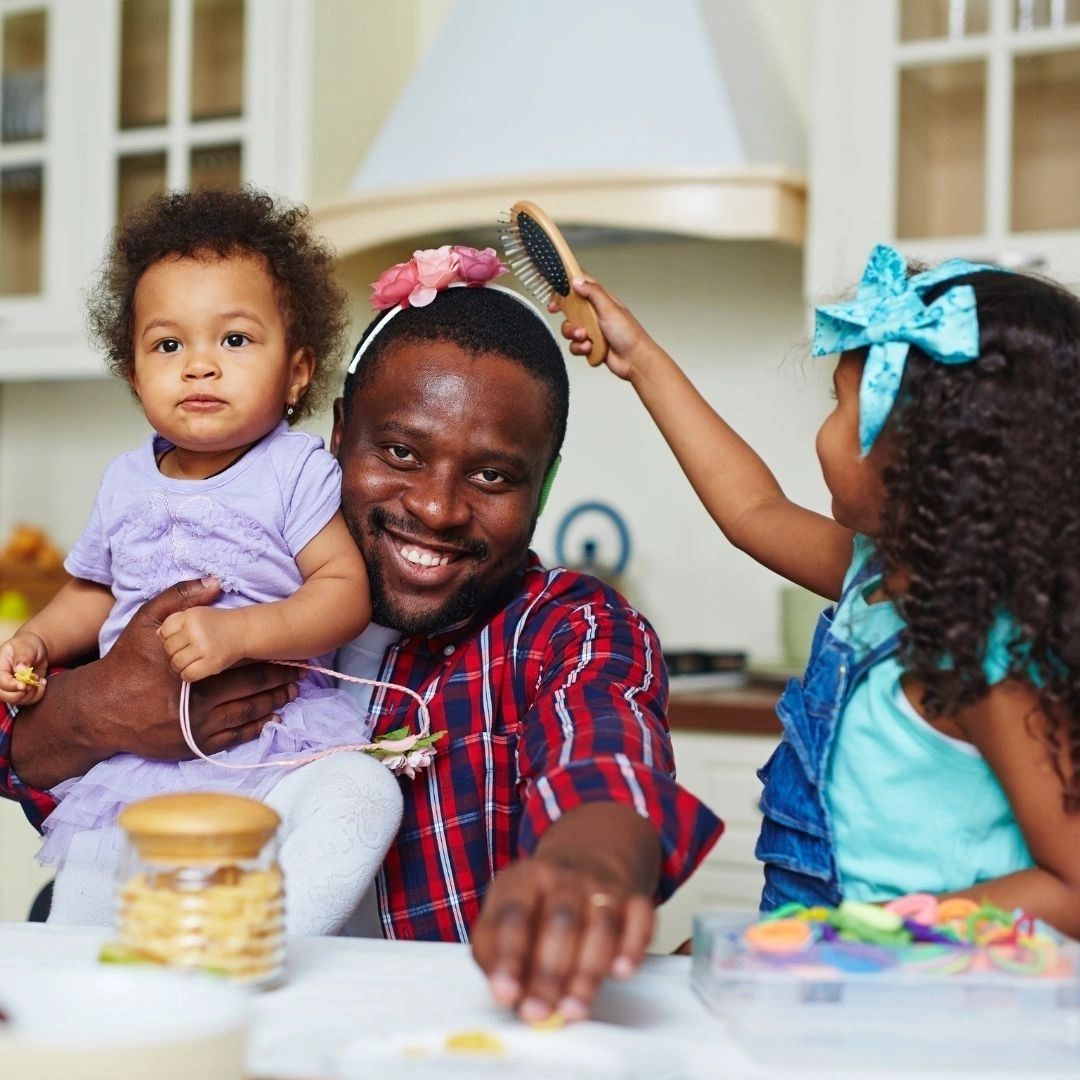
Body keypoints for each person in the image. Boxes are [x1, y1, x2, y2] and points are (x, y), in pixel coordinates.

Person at [0, 245, 723, 1023]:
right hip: (180, 1027)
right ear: (340, 432)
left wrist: (589, 868)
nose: (438, 508)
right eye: (402, 452)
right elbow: (29, 725)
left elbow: (605, 760)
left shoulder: (567, 629)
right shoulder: (222, 561)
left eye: (492, 476)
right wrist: (91, 709)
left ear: (542, 486)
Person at [555, 243, 1080, 937]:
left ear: (925, 454)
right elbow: (752, 511)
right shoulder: (881, 577)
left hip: (921, 991)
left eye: (841, 407)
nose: (824, 433)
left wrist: (860, 936)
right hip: (839, 967)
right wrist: (641, 359)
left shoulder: (981, 659)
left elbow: (1070, 884)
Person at [0, 188, 406, 933]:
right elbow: (92, 589)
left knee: (363, 792)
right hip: (142, 767)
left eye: (235, 341)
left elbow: (343, 591)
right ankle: (92, 1008)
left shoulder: (295, 471)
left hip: (274, 747)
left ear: (295, 372)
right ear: (134, 374)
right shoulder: (125, 479)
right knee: (89, 877)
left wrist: (242, 634)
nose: (199, 367)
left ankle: (271, 945)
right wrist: (37, 642)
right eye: (168, 345)